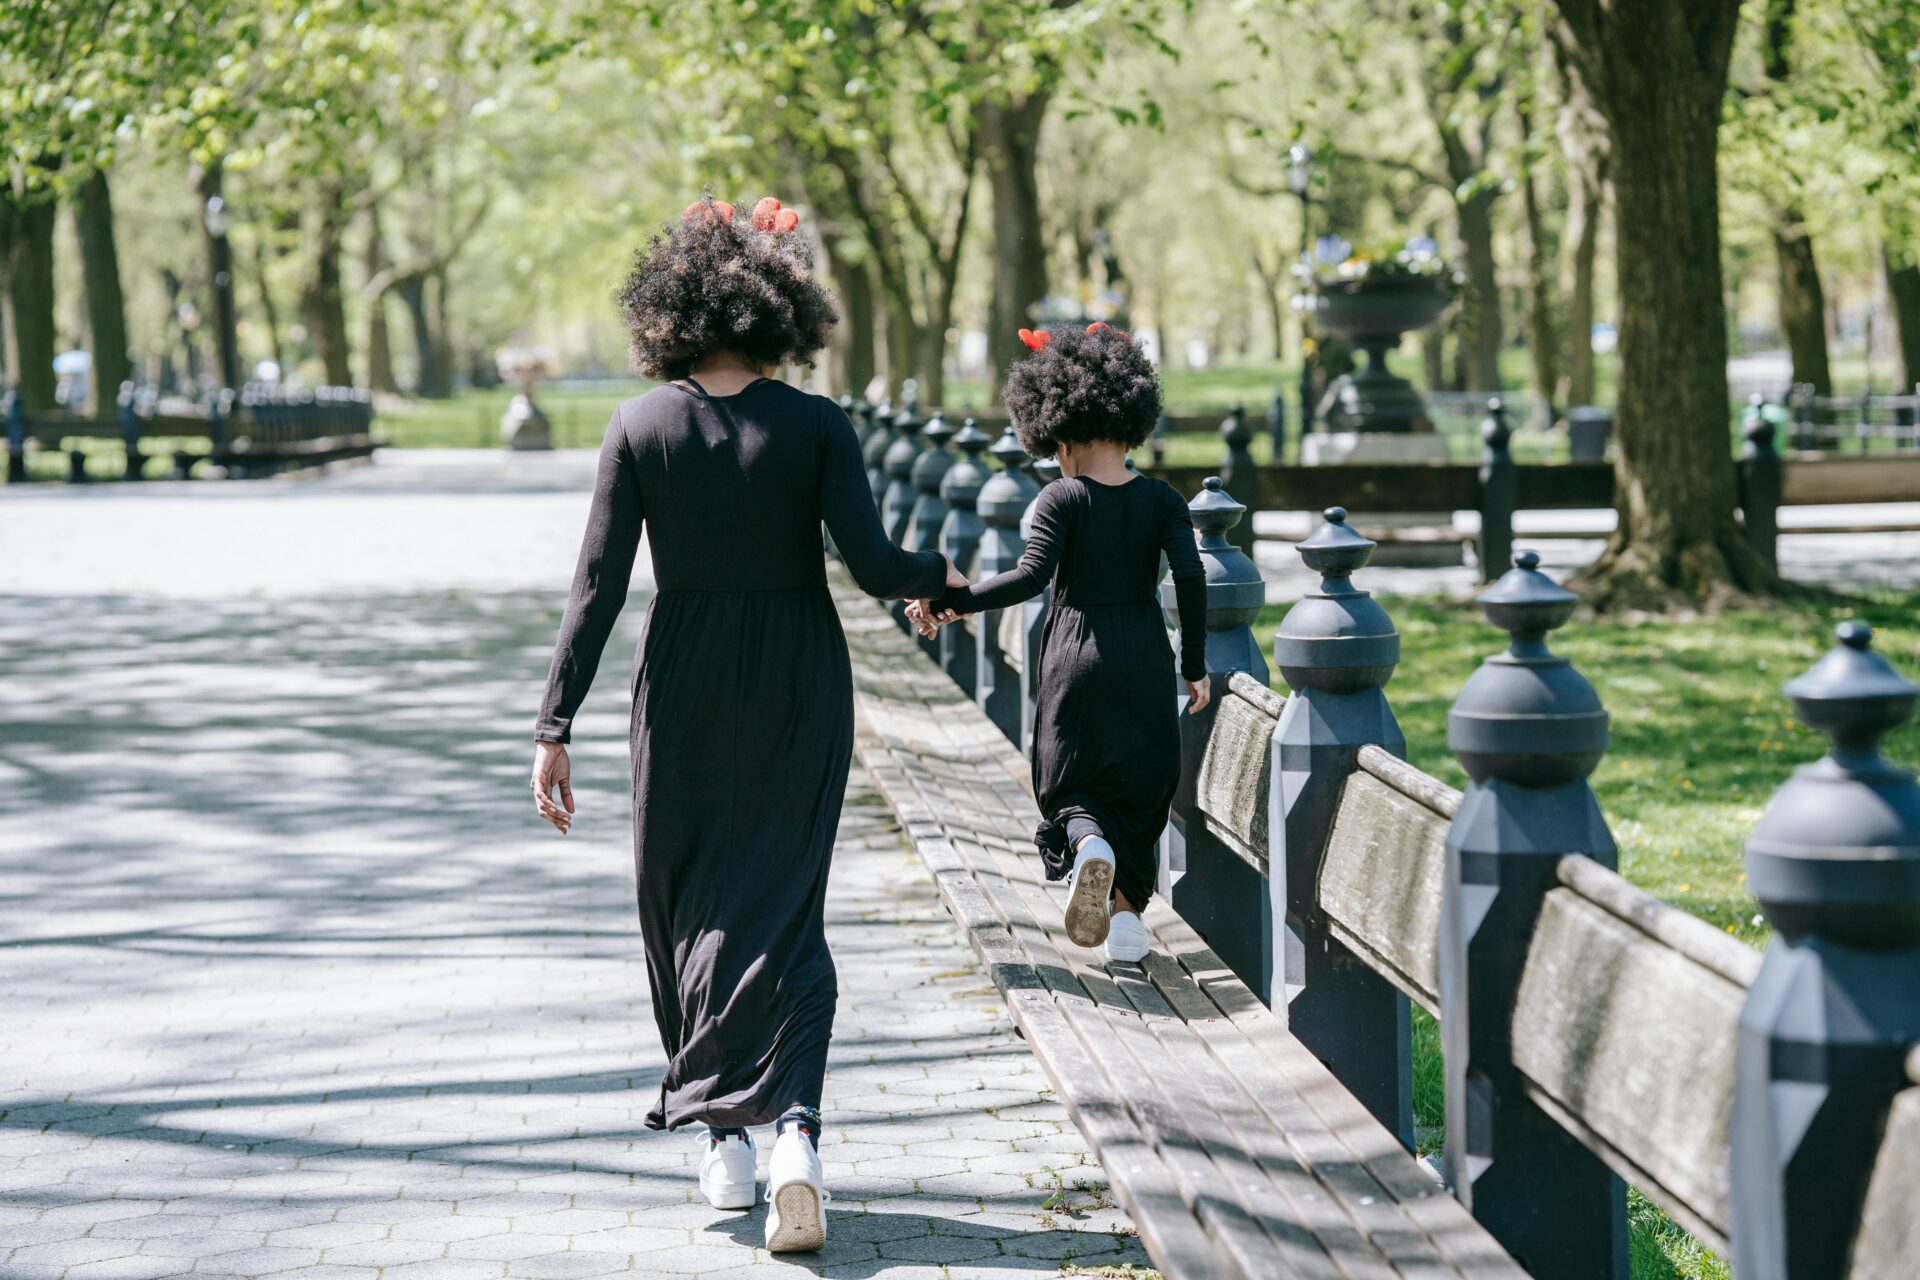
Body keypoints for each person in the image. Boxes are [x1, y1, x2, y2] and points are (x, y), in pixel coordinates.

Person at [528, 195, 965, 1252]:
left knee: (681, 904)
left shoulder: (638, 428)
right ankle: (798, 1133)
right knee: (788, 907)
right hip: (799, 680)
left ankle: (721, 1136)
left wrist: (555, 722)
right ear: (782, 306)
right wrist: (943, 581)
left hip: (680, 684)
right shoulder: (818, 425)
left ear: (668, 311)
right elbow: (871, 565)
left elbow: (595, 587)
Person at [908, 323, 1209, 964]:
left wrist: (953, 600)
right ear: (1133, 418)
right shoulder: (1163, 499)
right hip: (1146, 657)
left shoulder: (1061, 497)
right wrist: (1195, 665)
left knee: (1071, 786)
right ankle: (1127, 927)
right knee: (1141, 789)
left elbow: (1028, 578)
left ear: (1059, 428)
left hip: (1077, 655)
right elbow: (1190, 577)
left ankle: (1088, 847)